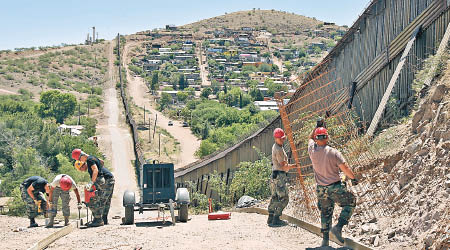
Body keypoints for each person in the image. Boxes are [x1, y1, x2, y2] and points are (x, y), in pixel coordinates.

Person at [308, 125, 359, 246]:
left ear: (316, 138)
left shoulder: (312, 150)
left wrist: (316, 126)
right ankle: (338, 227)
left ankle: (325, 241)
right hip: (334, 187)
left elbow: (309, 138)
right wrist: (353, 178)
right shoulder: (334, 152)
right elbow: (345, 168)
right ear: (327, 137)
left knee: (325, 212)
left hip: (321, 188)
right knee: (351, 201)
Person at [72, 149, 114, 227]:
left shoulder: (89, 160)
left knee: (95, 200)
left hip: (105, 180)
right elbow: (101, 162)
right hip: (108, 179)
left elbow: (95, 170)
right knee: (106, 200)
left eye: (79, 159)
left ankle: (98, 220)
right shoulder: (92, 157)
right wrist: (102, 171)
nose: (80, 161)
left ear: (81, 156)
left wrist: (92, 182)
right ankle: (103, 220)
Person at [267, 128, 296, 226]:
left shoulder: (276, 146)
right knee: (284, 198)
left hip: (274, 174)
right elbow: (283, 165)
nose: (282, 140)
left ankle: (270, 217)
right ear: (275, 138)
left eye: (283, 138)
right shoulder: (279, 149)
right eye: (280, 139)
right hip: (280, 175)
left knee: (275, 197)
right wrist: (294, 166)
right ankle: (276, 218)